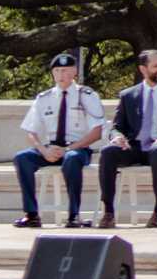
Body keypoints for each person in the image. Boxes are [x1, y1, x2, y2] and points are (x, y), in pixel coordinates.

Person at [96, 49, 157, 228]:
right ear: (143, 70)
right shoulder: (128, 95)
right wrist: (117, 137)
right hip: (135, 147)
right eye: (155, 66)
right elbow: (116, 127)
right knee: (108, 152)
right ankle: (108, 212)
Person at [13, 52, 106, 228]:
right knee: (22, 158)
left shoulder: (87, 95)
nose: (61, 75)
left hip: (78, 148)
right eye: (57, 71)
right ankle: (31, 214)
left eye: (65, 70)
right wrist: (43, 150)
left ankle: (73, 215)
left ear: (74, 72)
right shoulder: (44, 98)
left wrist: (70, 149)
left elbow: (97, 132)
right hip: (51, 149)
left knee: (71, 159)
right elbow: (30, 131)